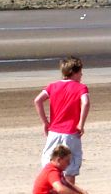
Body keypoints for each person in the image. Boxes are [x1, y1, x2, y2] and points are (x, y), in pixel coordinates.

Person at [34, 56, 90, 184]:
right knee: (70, 167)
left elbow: (38, 100)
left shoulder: (53, 86)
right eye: (80, 72)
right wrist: (81, 123)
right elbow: (86, 103)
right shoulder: (80, 87)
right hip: (70, 133)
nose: (81, 75)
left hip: (54, 132)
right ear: (74, 72)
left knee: (50, 164)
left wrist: (45, 122)